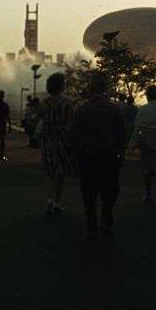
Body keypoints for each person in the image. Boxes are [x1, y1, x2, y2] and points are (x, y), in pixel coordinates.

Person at [70, 71, 126, 239]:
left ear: (90, 90)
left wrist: (76, 156)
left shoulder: (82, 110)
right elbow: (122, 135)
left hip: (87, 158)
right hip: (109, 157)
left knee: (89, 193)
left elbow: (74, 136)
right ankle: (106, 221)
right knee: (110, 191)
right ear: (105, 90)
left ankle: (91, 226)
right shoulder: (114, 110)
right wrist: (121, 155)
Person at [39, 73, 78, 215]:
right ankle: (57, 202)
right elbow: (73, 122)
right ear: (61, 86)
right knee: (61, 173)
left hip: (48, 139)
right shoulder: (67, 103)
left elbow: (38, 117)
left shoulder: (44, 103)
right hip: (63, 140)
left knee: (49, 172)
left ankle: (49, 200)